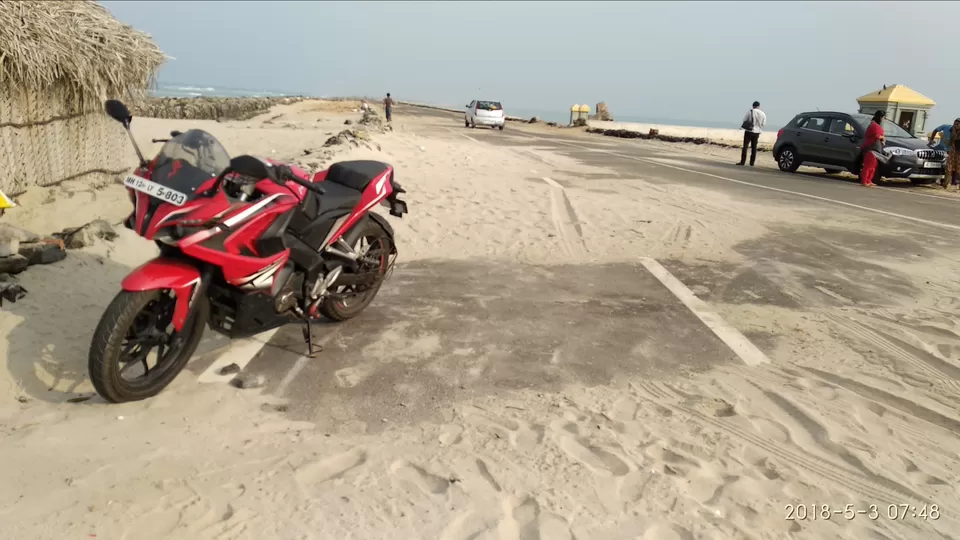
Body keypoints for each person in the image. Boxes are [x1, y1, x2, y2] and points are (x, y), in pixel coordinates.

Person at [859, 110, 886, 187]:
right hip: (871, 149)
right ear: (880, 117)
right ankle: (864, 180)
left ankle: (869, 180)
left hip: (875, 149)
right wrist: (882, 137)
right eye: (883, 117)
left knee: (873, 166)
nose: (884, 119)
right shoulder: (873, 125)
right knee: (868, 166)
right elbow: (876, 136)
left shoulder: (874, 125)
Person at [737, 101, 766, 167]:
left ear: (753, 106)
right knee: (754, 147)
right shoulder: (763, 113)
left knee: (745, 146)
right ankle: (752, 162)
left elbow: (744, 120)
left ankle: (742, 161)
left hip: (749, 131)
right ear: (759, 106)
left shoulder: (750, 112)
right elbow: (763, 124)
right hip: (757, 132)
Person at [937, 118, 960, 189]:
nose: (955, 126)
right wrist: (943, 137)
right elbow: (950, 143)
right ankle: (946, 184)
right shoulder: (952, 131)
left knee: (958, 168)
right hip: (953, 151)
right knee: (948, 167)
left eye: (957, 124)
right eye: (954, 124)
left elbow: (956, 139)